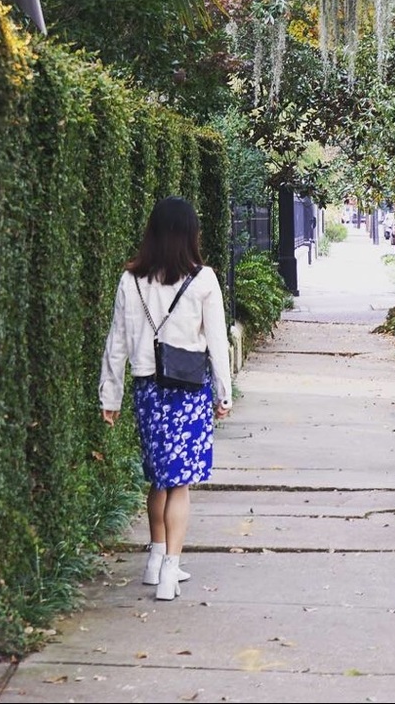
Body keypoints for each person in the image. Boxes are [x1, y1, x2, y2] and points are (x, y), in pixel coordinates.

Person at [99, 196, 232, 601]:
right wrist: (223, 394)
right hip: (189, 390)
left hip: (147, 390)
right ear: (190, 234)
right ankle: (171, 570)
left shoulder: (131, 279)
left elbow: (116, 343)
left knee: (158, 475)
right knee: (181, 484)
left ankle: (155, 560)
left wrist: (111, 396)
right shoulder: (204, 279)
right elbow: (218, 344)